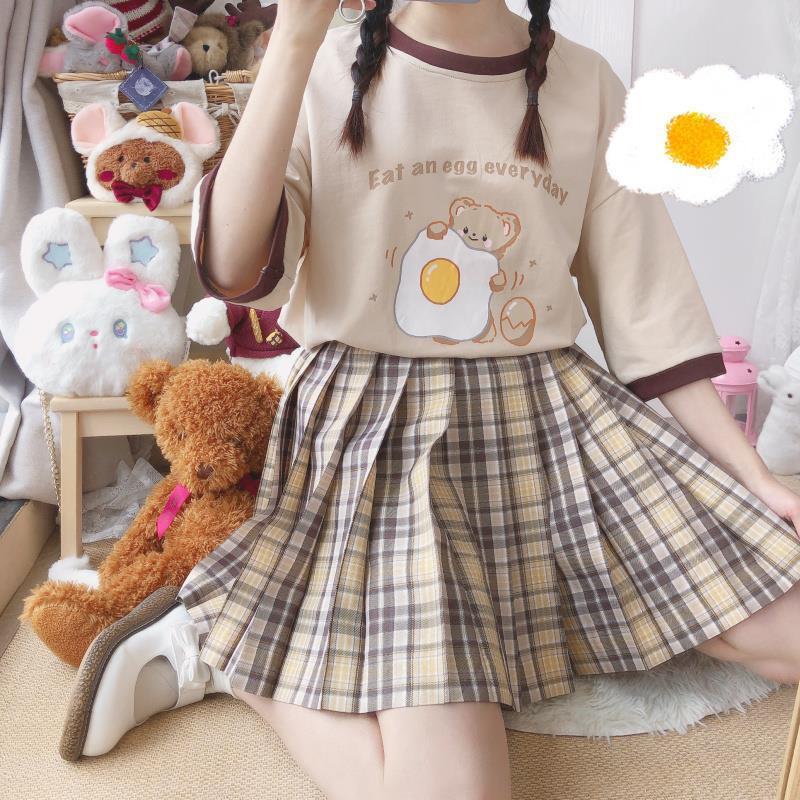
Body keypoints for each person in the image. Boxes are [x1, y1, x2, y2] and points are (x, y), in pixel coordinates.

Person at [62, 2, 800, 798]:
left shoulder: (585, 82)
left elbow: (648, 308)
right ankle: (213, 642)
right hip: (381, 438)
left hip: (554, 421)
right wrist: (297, 38)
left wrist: (753, 477)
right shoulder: (320, 66)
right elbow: (236, 268)